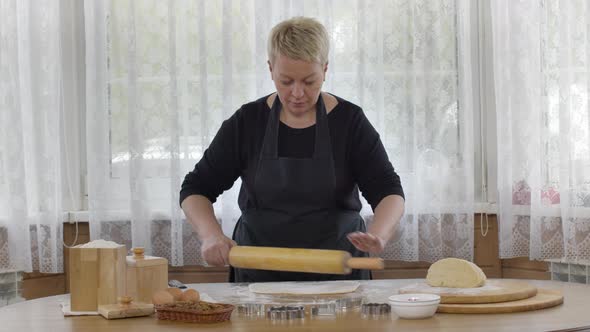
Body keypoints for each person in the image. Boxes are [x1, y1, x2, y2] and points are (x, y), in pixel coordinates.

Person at [180, 17, 405, 282]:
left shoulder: (350, 122)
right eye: (286, 81)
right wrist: (211, 235)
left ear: (325, 69)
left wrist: (378, 234)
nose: (297, 93)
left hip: (338, 276)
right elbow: (196, 188)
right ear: (270, 69)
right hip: (258, 276)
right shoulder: (247, 122)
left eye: (309, 81)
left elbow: (388, 190)